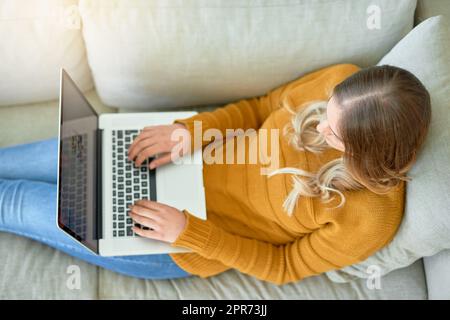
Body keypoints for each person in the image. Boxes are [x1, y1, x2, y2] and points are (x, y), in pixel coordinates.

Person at [0, 63, 431, 285]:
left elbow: (283, 266)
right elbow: (260, 108)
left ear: (366, 156)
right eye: (327, 110)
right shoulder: (341, 79)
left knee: (12, 200)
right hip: (173, 157)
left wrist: (189, 232)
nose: (318, 126)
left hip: (178, 240)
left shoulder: (371, 218)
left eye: (331, 132)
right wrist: (189, 132)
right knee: (9, 162)